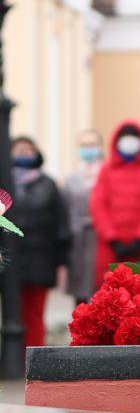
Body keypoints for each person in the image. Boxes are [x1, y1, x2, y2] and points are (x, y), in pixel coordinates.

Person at [10, 136, 70, 350]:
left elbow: (61, 223)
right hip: (10, 263)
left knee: (35, 314)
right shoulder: (5, 183)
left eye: (28, 149)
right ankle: (11, 359)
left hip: (40, 261)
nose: (23, 153)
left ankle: (33, 358)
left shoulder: (48, 184)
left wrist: (61, 260)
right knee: (11, 316)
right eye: (19, 149)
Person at [90, 121, 140, 285]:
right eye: (125, 136)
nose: (129, 140)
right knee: (111, 294)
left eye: (133, 136)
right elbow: (98, 206)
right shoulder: (106, 171)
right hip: (111, 249)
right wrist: (113, 239)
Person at [63, 129, 105, 305]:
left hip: (102, 238)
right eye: (84, 145)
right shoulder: (71, 178)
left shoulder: (106, 174)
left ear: (100, 147)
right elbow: (66, 208)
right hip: (78, 239)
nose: (88, 149)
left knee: (102, 287)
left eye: (92, 144)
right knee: (79, 291)